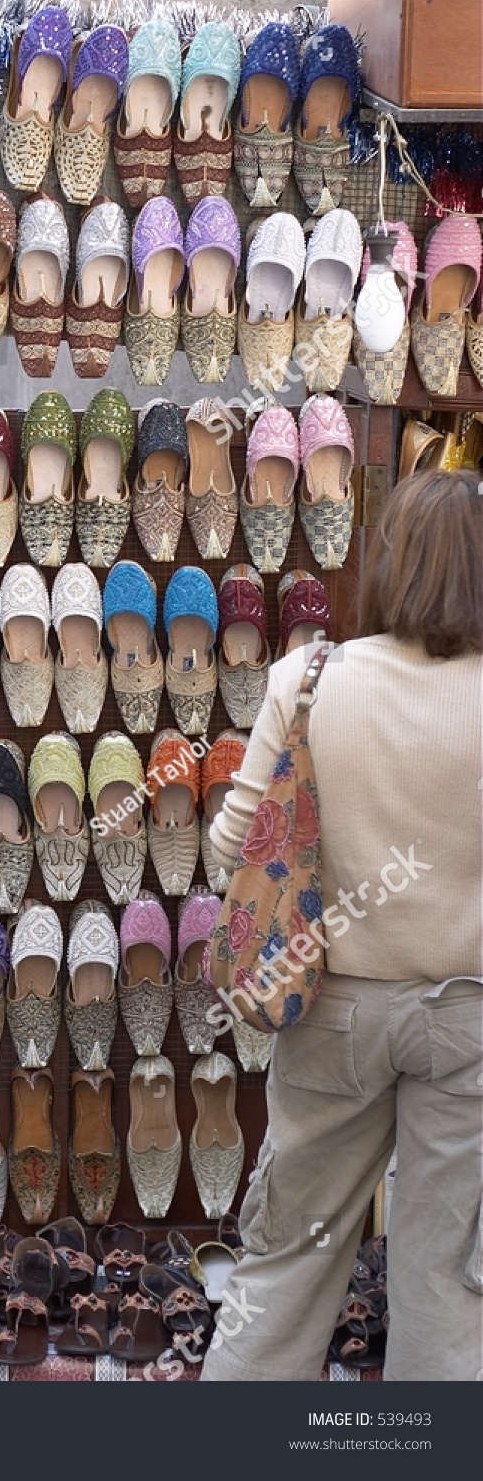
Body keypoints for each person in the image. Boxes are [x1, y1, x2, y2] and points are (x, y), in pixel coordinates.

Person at [200, 471, 482, 1385]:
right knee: (447, 1286)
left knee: (285, 1266)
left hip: (328, 1008)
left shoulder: (311, 677)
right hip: (468, 1018)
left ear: (387, 563)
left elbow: (232, 849)